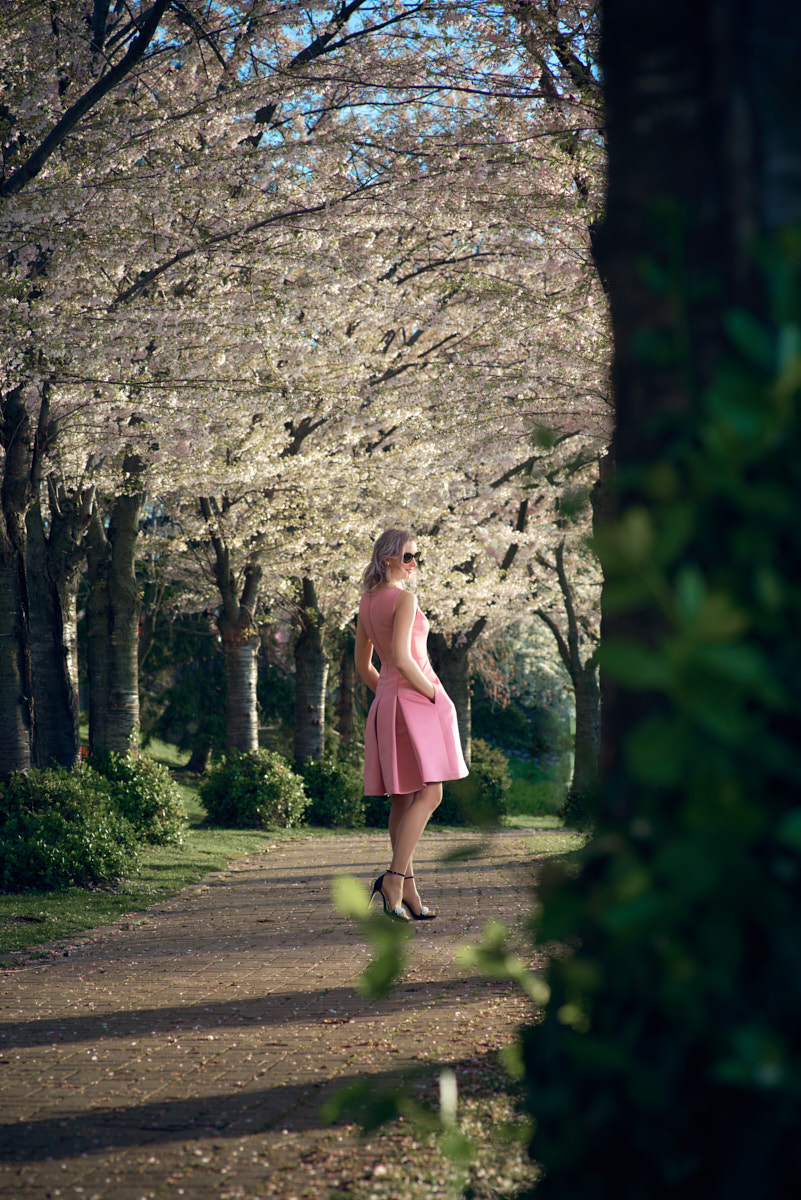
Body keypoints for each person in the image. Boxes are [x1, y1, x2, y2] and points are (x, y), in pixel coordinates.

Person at [354, 528, 468, 921]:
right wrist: (434, 696)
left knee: (403, 798)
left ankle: (409, 893)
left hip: (389, 701)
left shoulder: (366, 601)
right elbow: (403, 659)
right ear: (387, 558)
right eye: (407, 557)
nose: (414, 563)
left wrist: (387, 695)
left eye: (416, 556)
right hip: (416, 698)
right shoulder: (404, 598)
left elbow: (363, 667)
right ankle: (394, 879)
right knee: (431, 794)